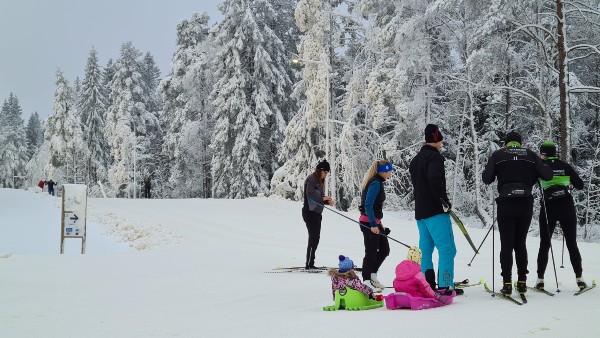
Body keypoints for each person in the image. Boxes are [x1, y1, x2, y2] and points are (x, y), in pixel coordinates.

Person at [482, 131, 553, 296]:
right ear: (520, 143)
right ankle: (522, 283)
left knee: (506, 244)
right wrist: (540, 166)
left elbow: (487, 179)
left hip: (506, 205)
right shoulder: (530, 155)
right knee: (520, 243)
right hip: (524, 204)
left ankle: (507, 283)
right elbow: (547, 176)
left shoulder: (498, 155)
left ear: (506, 143)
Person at [409, 124, 458, 295]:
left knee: (426, 250)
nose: (443, 141)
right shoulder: (435, 158)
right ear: (436, 138)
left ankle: (427, 284)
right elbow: (434, 179)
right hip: (435, 211)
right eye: (441, 138)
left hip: (420, 213)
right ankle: (445, 285)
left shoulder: (415, 160)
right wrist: (443, 200)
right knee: (447, 249)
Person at [536, 141, 587, 291]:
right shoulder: (565, 166)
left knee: (545, 244)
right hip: (566, 206)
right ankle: (580, 279)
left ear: (543, 154)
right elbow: (580, 185)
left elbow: (529, 182)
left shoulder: (540, 167)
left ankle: (540, 280)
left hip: (548, 208)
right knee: (572, 243)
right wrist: (568, 184)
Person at [358, 159, 393, 291]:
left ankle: (372, 275)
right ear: (383, 171)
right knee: (371, 252)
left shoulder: (377, 182)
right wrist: (373, 224)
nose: (390, 172)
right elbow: (368, 205)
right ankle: (366, 281)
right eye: (389, 170)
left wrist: (380, 225)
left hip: (375, 222)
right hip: (368, 222)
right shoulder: (375, 183)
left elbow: (375, 207)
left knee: (384, 250)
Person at [302, 160, 334, 269]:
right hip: (309, 212)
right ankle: (309, 264)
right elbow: (310, 196)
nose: (326, 175)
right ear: (320, 170)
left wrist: (327, 201)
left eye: (327, 173)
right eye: (325, 172)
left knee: (316, 238)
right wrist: (323, 198)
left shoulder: (320, 181)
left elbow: (318, 198)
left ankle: (311, 263)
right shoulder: (311, 179)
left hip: (317, 213)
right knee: (313, 237)